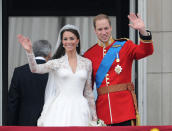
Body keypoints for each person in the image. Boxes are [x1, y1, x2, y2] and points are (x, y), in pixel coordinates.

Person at [17, 24, 98, 127]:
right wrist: (29, 52)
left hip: (81, 108)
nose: (68, 41)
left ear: (77, 41)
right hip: (60, 108)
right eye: (65, 39)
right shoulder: (56, 63)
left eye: (71, 38)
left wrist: (94, 117)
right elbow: (35, 69)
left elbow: (88, 92)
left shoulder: (87, 63)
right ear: (62, 42)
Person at [84, 13, 154, 126]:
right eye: (100, 29)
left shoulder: (125, 45)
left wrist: (142, 31)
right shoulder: (89, 54)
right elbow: (87, 88)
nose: (104, 32)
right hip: (103, 113)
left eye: (106, 28)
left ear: (111, 28)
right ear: (95, 31)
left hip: (125, 110)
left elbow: (146, 51)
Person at [7, 40, 52, 126]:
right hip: (48, 122)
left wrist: (10, 126)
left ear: (33, 52)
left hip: (24, 123)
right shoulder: (53, 72)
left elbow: (12, 102)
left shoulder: (19, 72)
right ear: (49, 54)